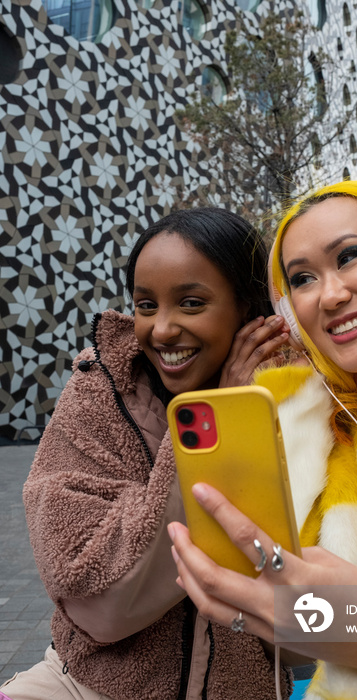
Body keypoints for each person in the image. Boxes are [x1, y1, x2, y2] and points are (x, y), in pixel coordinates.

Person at [168, 180, 357, 700]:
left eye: (350, 256)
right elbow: (315, 635)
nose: (329, 295)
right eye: (303, 278)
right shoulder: (346, 428)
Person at [1, 207, 294, 700]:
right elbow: (99, 604)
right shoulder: (98, 393)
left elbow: (326, 615)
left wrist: (241, 410)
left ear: (247, 310)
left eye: (191, 303)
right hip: (84, 685)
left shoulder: (298, 400)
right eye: (145, 304)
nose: (161, 329)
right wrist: (210, 419)